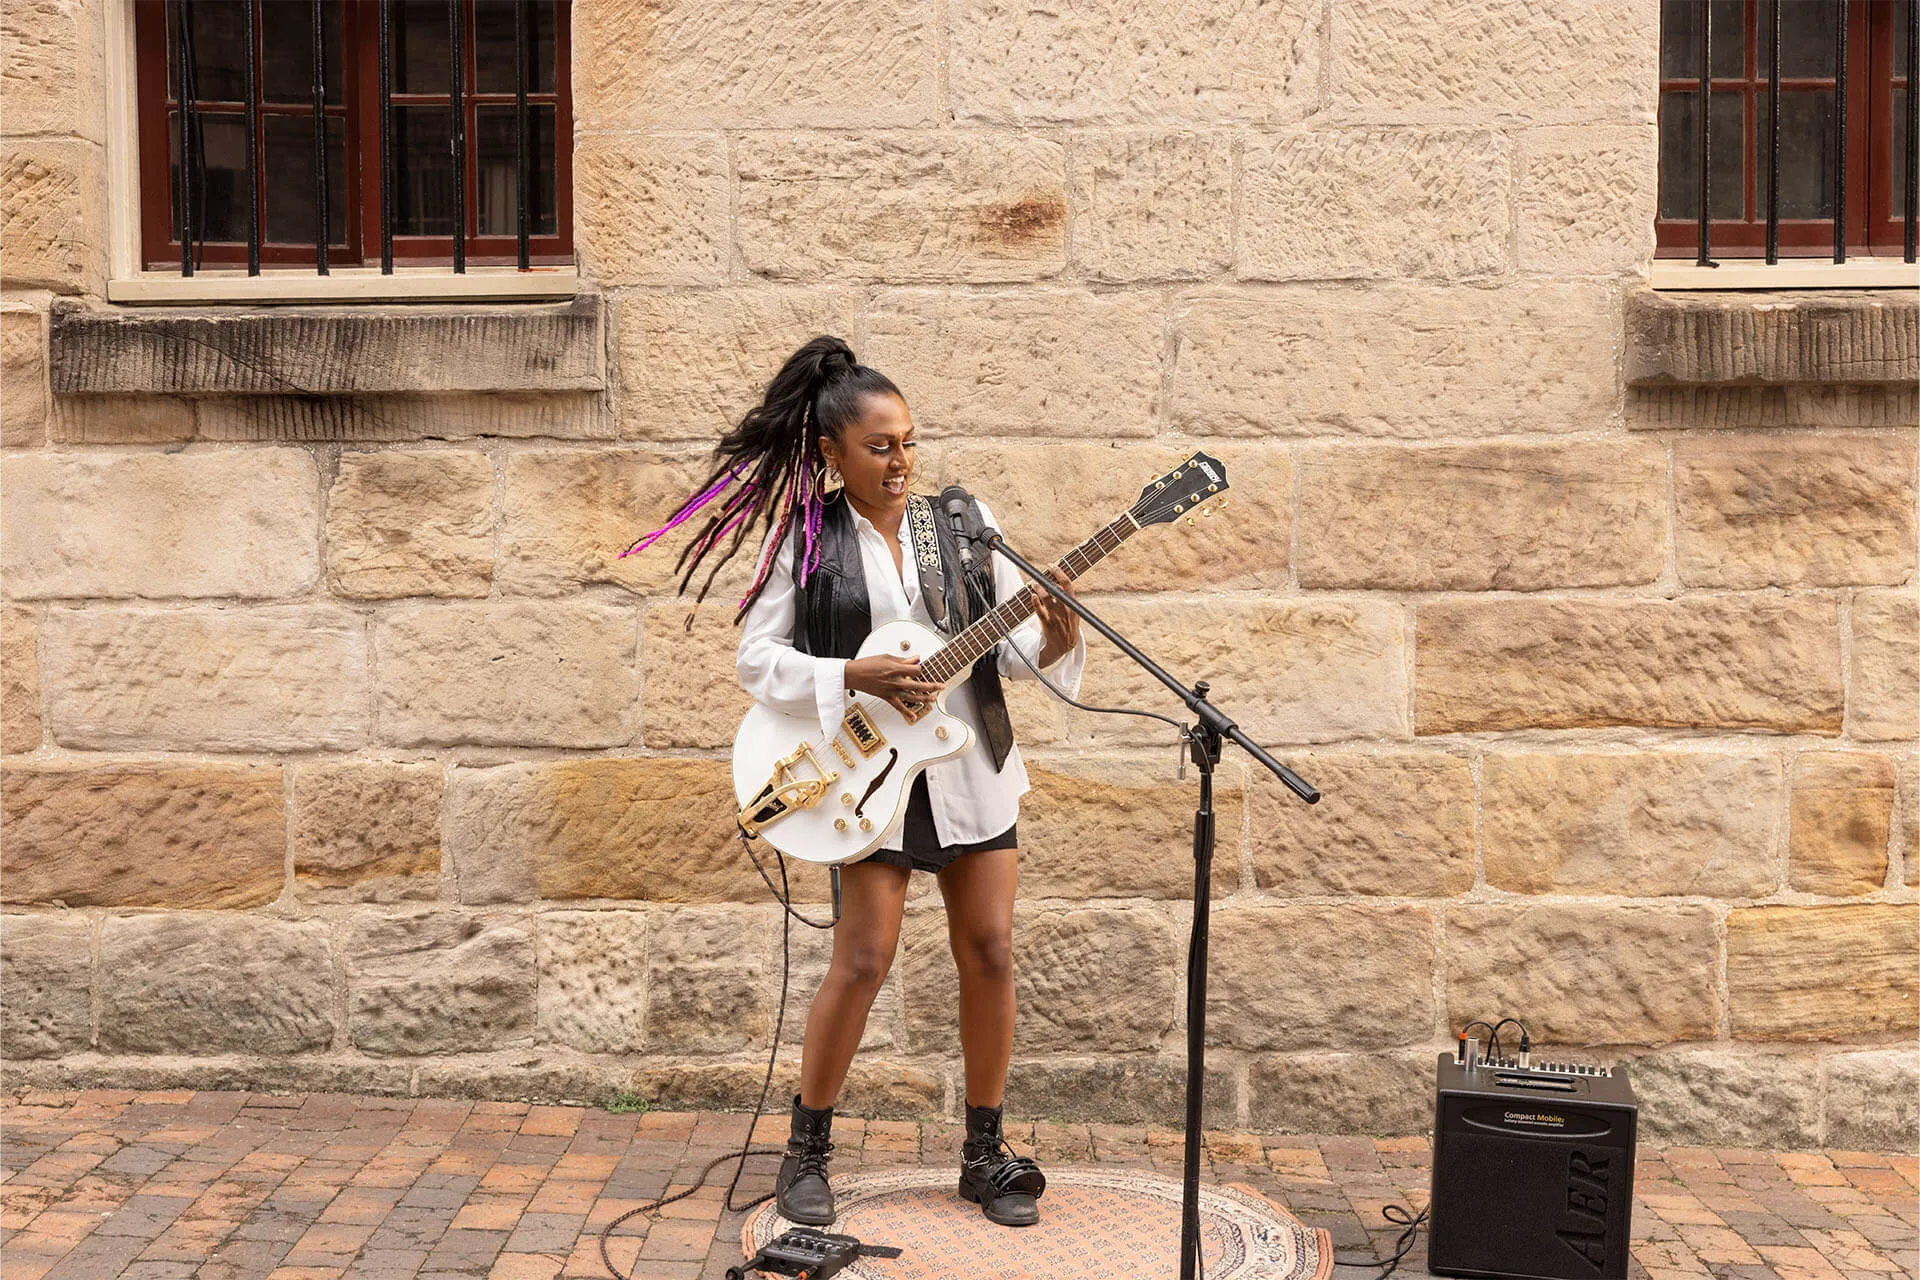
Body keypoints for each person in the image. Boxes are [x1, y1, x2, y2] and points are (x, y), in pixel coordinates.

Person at [622, 335, 1086, 1229]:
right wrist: (849, 677)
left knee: (989, 950)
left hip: (969, 764)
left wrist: (1058, 637)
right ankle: (808, 1150)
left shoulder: (960, 524)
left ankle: (985, 1154)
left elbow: (1012, 654)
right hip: (867, 773)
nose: (902, 461)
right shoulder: (805, 536)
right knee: (864, 958)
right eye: (881, 447)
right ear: (832, 454)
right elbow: (757, 662)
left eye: (910, 441)